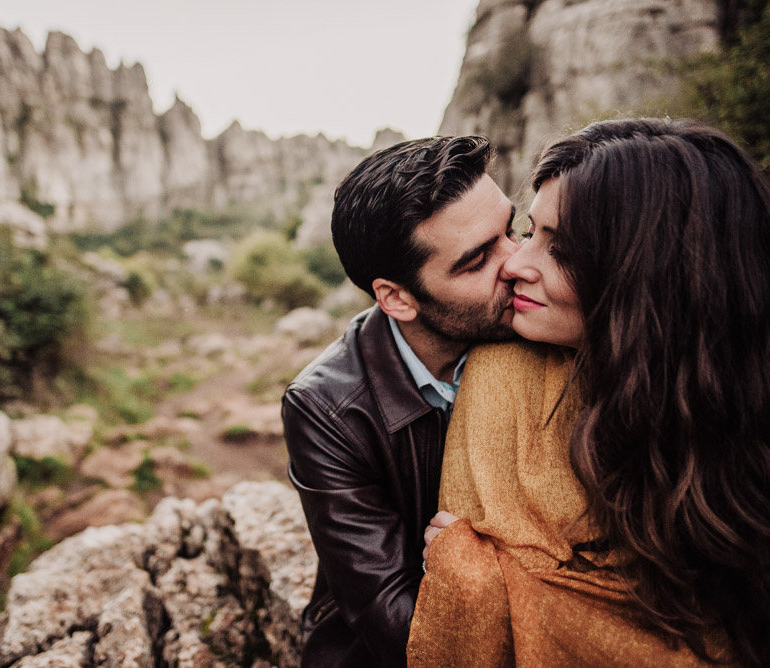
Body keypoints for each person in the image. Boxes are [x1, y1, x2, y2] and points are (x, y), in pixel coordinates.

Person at [408, 118, 770, 667]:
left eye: (564, 249)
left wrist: (490, 573)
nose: (516, 265)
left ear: (654, 277)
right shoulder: (503, 375)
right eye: (532, 231)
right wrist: (470, 572)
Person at [281, 135, 519, 667]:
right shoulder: (326, 408)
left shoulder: (539, 319)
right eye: (478, 259)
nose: (520, 262)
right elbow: (391, 614)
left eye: (513, 230)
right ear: (396, 298)